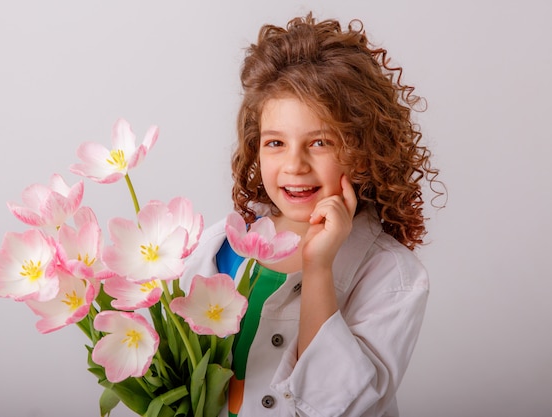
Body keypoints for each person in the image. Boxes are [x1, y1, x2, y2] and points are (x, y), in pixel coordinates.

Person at [183, 12, 442, 417]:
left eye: (320, 141)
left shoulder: (394, 276)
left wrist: (318, 267)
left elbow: (333, 406)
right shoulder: (220, 244)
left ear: (362, 148)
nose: (295, 164)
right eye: (275, 143)